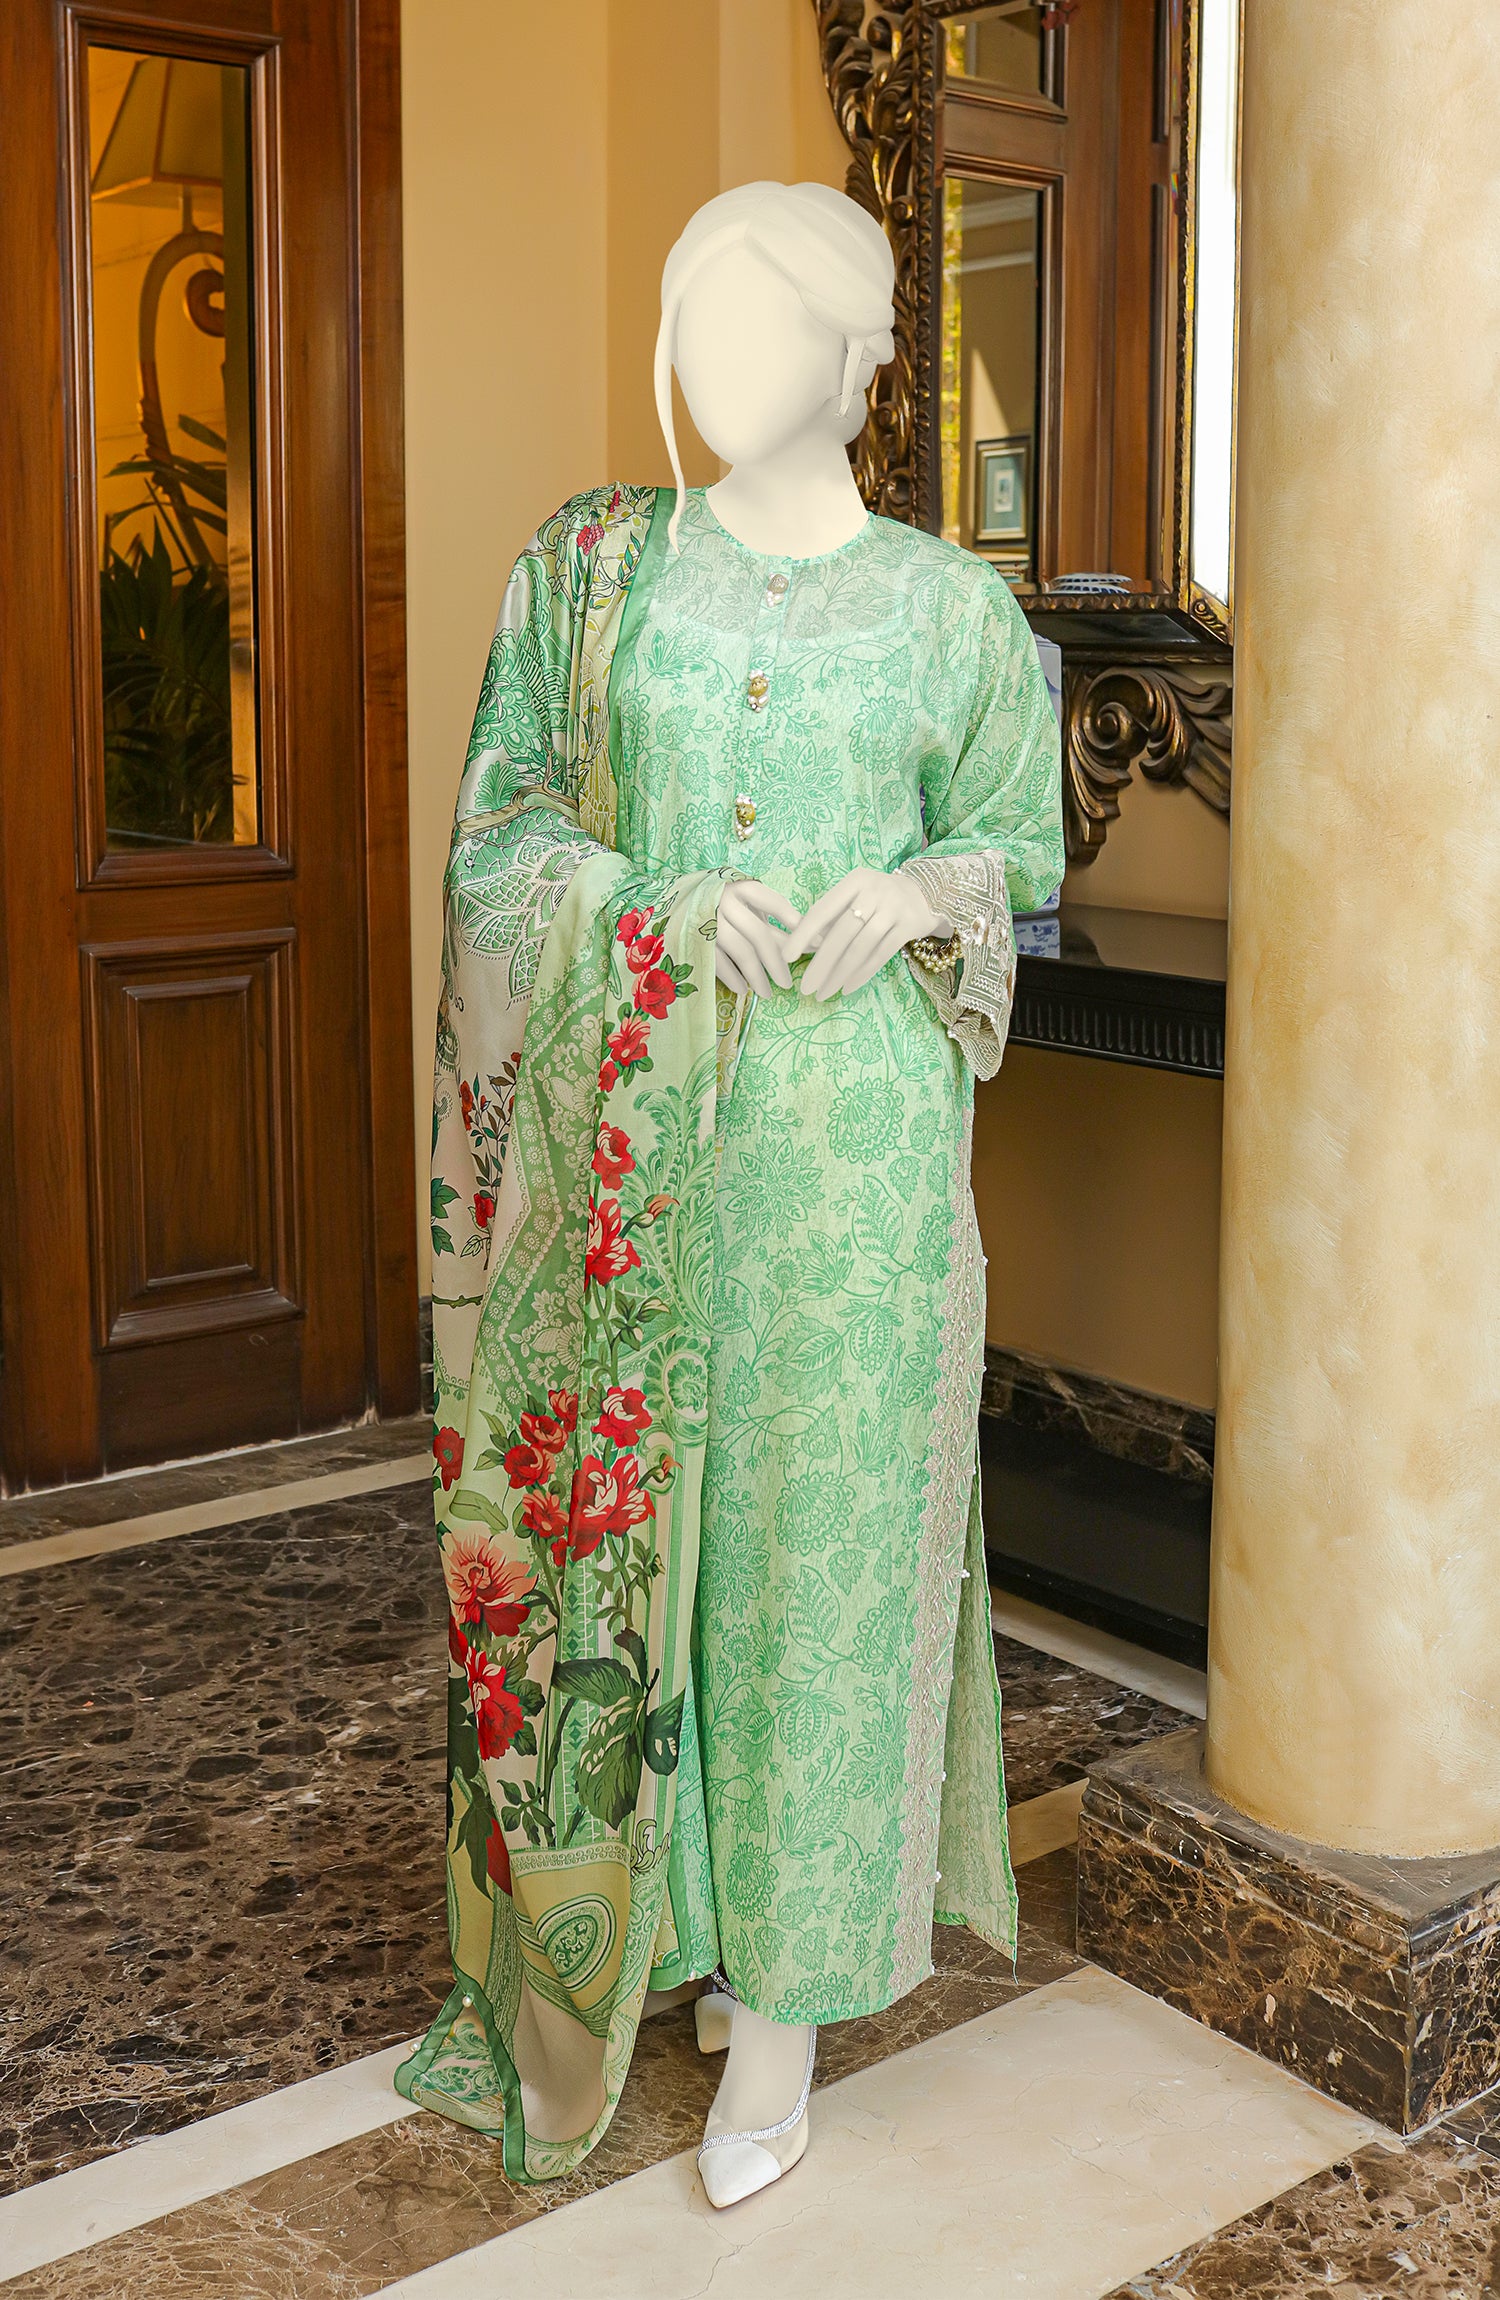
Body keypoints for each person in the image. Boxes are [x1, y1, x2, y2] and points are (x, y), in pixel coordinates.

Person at [397, 180, 1064, 2207]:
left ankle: (781, 2007)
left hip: (859, 1178)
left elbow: (1019, 846)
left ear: (859, 361)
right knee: (639, 1561)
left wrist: (922, 889)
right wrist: (651, 904)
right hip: (639, 1163)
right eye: (692, 318)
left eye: (760, 322)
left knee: (811, 1568)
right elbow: (504, 828)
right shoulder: (593, 572)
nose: (711, 359)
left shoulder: (952, 610)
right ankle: (658, 1926)